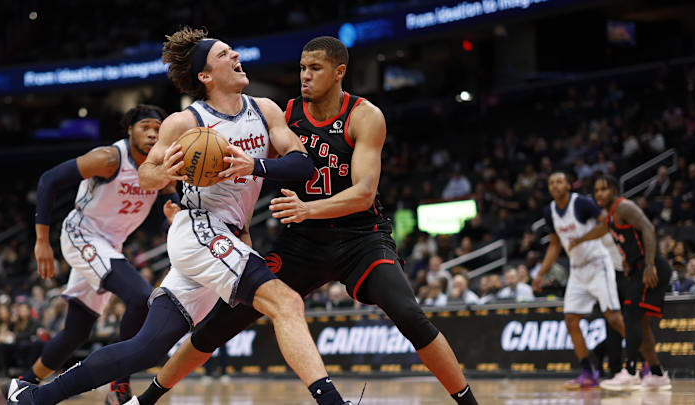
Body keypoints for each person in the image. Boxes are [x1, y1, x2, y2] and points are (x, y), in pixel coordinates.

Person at [6, 27, 352, 405]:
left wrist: (252, 166)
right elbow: (146, 174)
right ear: (205, 76)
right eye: (224, 54)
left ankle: (32, 399)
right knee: (286, 302)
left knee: (146, 349)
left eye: (232, 51)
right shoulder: (186, 122)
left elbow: (304, 165)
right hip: (200, 228)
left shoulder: (265, 109)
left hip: (224, 238)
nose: (235, 55)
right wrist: (169, 171)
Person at [128, 36, 478, 405]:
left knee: (409, 313)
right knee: (223, 321)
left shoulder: (365, 115)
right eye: (301, 68)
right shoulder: (284, 113)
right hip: (302, 241)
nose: (304, 76)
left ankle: (468, 402)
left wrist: (309, 208)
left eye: (315, 69)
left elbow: (363, 192)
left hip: (360, 236)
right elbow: (262, 166)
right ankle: (147, 398)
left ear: (339, 72)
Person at [2, 104, 177, 405]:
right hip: (82, 235)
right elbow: (49, 179)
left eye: (158, 129)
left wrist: (173, 215)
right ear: (129, 130)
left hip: (110, 245)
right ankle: (119, 387)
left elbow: (169, 201)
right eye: (145, 126)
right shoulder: (109, 158)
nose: (152, 133)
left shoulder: (158, 167)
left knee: (76, 332)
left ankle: (23, 384)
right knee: (140, 297)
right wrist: (41, 240)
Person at [569, 175, 672, 391]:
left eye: (604, 189)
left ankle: (631, 372)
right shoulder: (610, 217)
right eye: (596, 190)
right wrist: (579, 240)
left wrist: (649, 264)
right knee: (641, 323)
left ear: (614, 190)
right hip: (638, 268)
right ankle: (656, 374)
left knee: (631, 316)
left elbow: (648, 228)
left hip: (651, 268)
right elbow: (602, 231)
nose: (599, 194)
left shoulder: (624, 207)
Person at [532, 172, 624, 389]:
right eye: (551, 183)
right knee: (571, 320)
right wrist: (540, 273)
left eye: (559, 181)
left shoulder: (582, 202)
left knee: (613, 317)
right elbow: (555, 244)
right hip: (577, 270)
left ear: (568, 184)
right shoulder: (550, 211)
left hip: (598, 263)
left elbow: (606, 223)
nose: (555, 185)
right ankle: (587, 372)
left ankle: (647, 363)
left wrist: (582, 239)